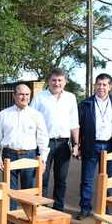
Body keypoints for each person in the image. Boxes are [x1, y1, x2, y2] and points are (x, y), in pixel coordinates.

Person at [76, 73, 112, 220]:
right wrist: (78, 146)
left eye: (104, 84)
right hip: (90, 146)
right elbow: (78, 126)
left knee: (107, 180)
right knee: (87, 180)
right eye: (98, 84)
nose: (101, 87)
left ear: (110, 87)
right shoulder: (85, 104)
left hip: (110, 147)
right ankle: (85, 208)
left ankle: (104, 209)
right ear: (94, 85)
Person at [31, 68, 79, 212]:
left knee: (61, 179)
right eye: (53, 80)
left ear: (65, 82)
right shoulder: (39, 97)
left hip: (64, 144)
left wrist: (76, 144)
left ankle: (58, 209)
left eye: (60, 80)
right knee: (42, 178)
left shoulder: (71, 97)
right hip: (44, 144)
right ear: (49, 81)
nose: (56, 83)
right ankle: (41, 208)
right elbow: (31, 119)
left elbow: (74, 123)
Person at [0, 83, 50, 209]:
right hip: (9, 156)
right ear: (14, 96)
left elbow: (42, 138)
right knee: (9, 190)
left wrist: (43, 159)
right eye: (21, 94)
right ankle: (10, 219)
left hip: (29, 156)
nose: (24, 97)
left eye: (27, 94)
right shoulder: (4, 114)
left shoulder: (36, 115)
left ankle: (28, 219)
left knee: (29, 191)